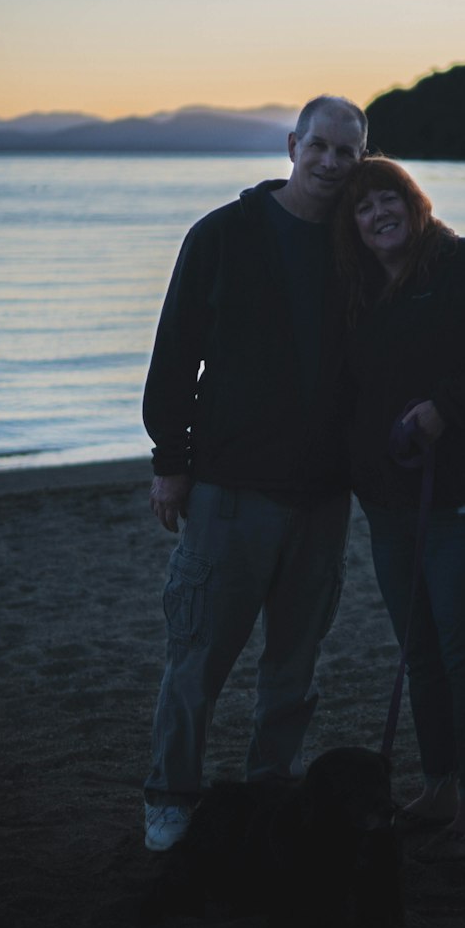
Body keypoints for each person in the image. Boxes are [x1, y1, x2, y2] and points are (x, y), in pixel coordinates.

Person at [141, 96, 368, 851]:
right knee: (198, 657)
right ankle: (171, 797)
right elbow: (175, 357)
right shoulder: (225, 234)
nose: (332, 162)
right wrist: (170, 464)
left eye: (348, 151)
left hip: (323, 496)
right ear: (292, 144)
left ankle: (271, 790)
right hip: (229, 490)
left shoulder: (358, 240)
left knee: (293, 668)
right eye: (321, 147)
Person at [334, 157, 465, 862]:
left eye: (389, 199)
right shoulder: (361, 288)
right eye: (363, 208)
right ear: (352, 226)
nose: (378, 214)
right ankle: (439, 785)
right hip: (389, 505)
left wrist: (445, 410)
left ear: (415, 203)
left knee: (464, 654)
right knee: (419, 654)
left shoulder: (463, 264)